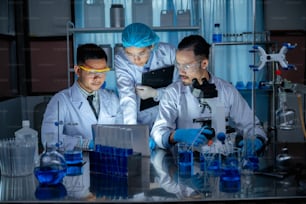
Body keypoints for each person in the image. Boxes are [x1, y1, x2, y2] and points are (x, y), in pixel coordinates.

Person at [151, 35, 268, 156]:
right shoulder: (173, 92)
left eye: (186, 66)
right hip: (187, 164)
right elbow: (158, 132)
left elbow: (251, 125)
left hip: (221, 162)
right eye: (178, 65)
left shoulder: (226, 90)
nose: (180, 71)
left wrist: (257, 139)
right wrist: (176, 135)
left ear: (204, 63)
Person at [41, 43, 122, 150]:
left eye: (102, 72)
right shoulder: (60, 100)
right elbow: (49, 139)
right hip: (76, 163)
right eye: (92, 72)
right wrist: (85, 144)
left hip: (108, 161)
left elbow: (123, 132)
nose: (98, 78)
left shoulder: (112, 99)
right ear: (78, 70)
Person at [114, 23, 179, 130]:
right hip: (137, 116)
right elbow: (126, 95)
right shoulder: (121, 59)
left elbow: (180, 87)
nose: (136, 60)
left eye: (141, 53)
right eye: (130, 54)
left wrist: (156, 93)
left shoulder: (169, 52)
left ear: (152, 46)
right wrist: (132, 129)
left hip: (164, 112)